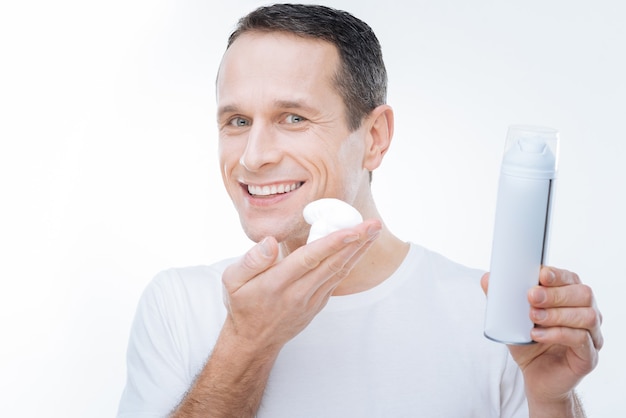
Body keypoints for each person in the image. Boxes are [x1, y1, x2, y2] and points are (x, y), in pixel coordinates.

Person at [117, 4, 603, 417]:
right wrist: (247, 343)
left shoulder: (493, 319)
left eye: (293, 118)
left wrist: (554, 400)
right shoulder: (178, 305)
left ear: (374, 138)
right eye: (238, 120)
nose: (252, 156)